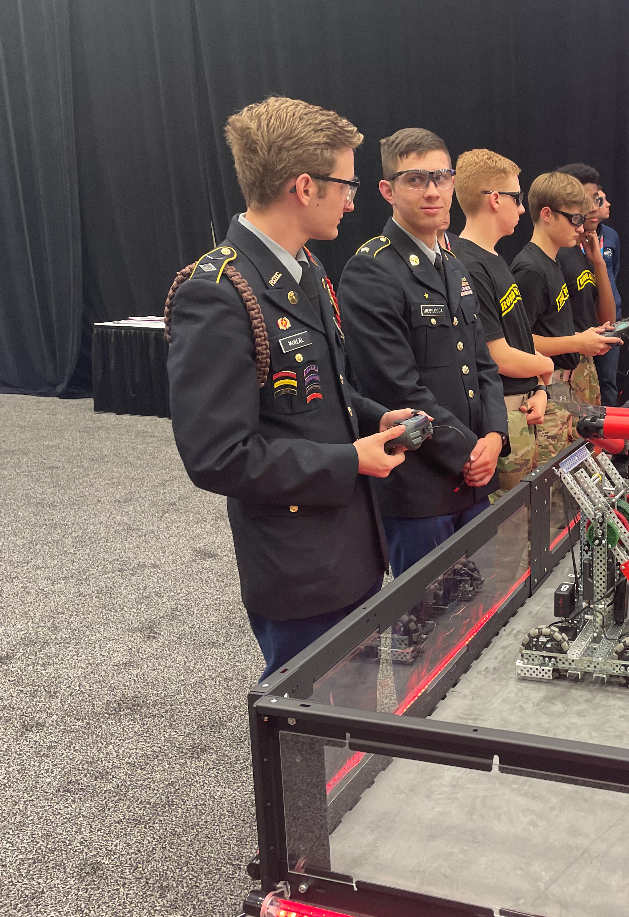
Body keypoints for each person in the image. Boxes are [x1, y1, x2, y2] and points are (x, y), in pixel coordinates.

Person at [165, 97, 416, 681]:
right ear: (305, 187)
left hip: (350, 544)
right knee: (311, 717)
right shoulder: (218, 291)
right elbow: (217, 456)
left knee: (352, 708)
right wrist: (350, 460)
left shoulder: (307, 270)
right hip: (297, 562)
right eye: (346, 186)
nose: (351, 202)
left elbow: (321, 390)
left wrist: (373, 417)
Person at [338, 128, 508, 575]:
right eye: (415, 179)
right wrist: (471, 452)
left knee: (487, 605)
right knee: (429, 615)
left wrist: (495, 436)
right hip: (420, 488)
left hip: (475, 478)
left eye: (441, 177)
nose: (432, 191)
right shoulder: (371, 270)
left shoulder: (454, 266)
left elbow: (483, 364)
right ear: (387, 190)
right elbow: (396, 388)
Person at [450, 149, 555, 493]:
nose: (522, 209)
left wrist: (540, 387)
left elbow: (517, 339)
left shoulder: (493, 257)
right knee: (512, 519)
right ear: (495, 200)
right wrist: (546, 366)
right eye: (517, 198)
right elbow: (497, 356)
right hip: (503, 413)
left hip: (523, 404)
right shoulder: (468, 264)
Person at [511, 172, 619, 464]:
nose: (581, 227)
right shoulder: (530, 270)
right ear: (547, 214)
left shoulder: (554, 261)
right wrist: (578, 343)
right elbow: (518, 342)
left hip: (564, 389)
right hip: (545, 392)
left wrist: (583, 339)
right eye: (574, 219)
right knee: (554, 481)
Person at [556, 163, 618, 408]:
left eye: (595, 199)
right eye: (585, 200)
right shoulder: (554, 256)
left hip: (583, 370)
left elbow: (607, 321)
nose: (594, 207)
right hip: (561, 378)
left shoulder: (583, 251)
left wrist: (599, 264)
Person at [596, 187, 624, 405]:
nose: (608, 204)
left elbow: (613, 271)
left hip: (611, 316)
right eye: (602, 200)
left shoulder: (611, 235)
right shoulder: (573, 237)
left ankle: (610, 421)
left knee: (608, 378)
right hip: (585, 317)